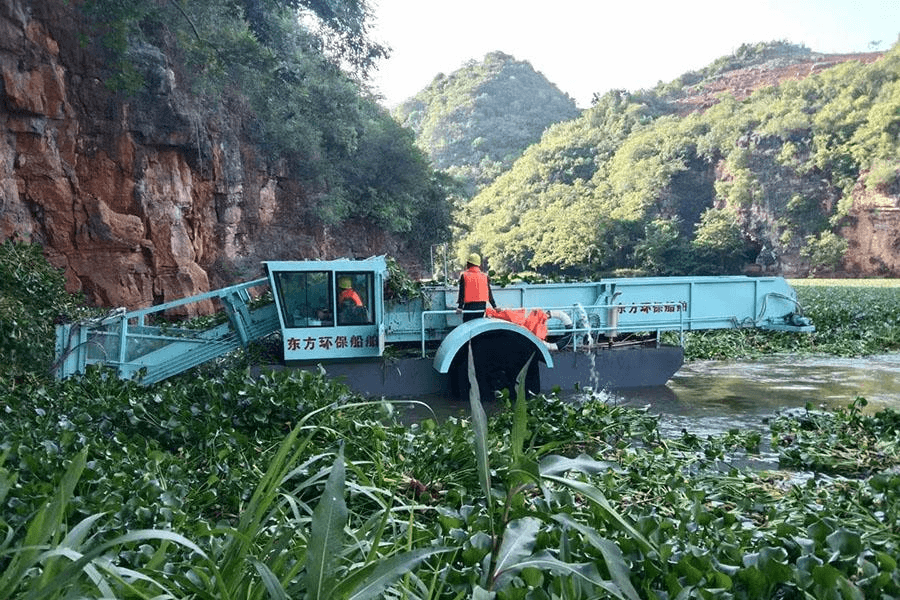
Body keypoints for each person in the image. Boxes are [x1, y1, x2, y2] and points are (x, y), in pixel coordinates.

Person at [456, 253, 497, 322]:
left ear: (468, 263)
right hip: (482, 307)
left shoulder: (464, 275)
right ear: (479, 264)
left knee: (468, 326)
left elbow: (462, 292)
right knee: (478, 324)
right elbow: (489, 292)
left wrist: (460, 307)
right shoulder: (485, 276)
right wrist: (494, 306)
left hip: (469, 307)